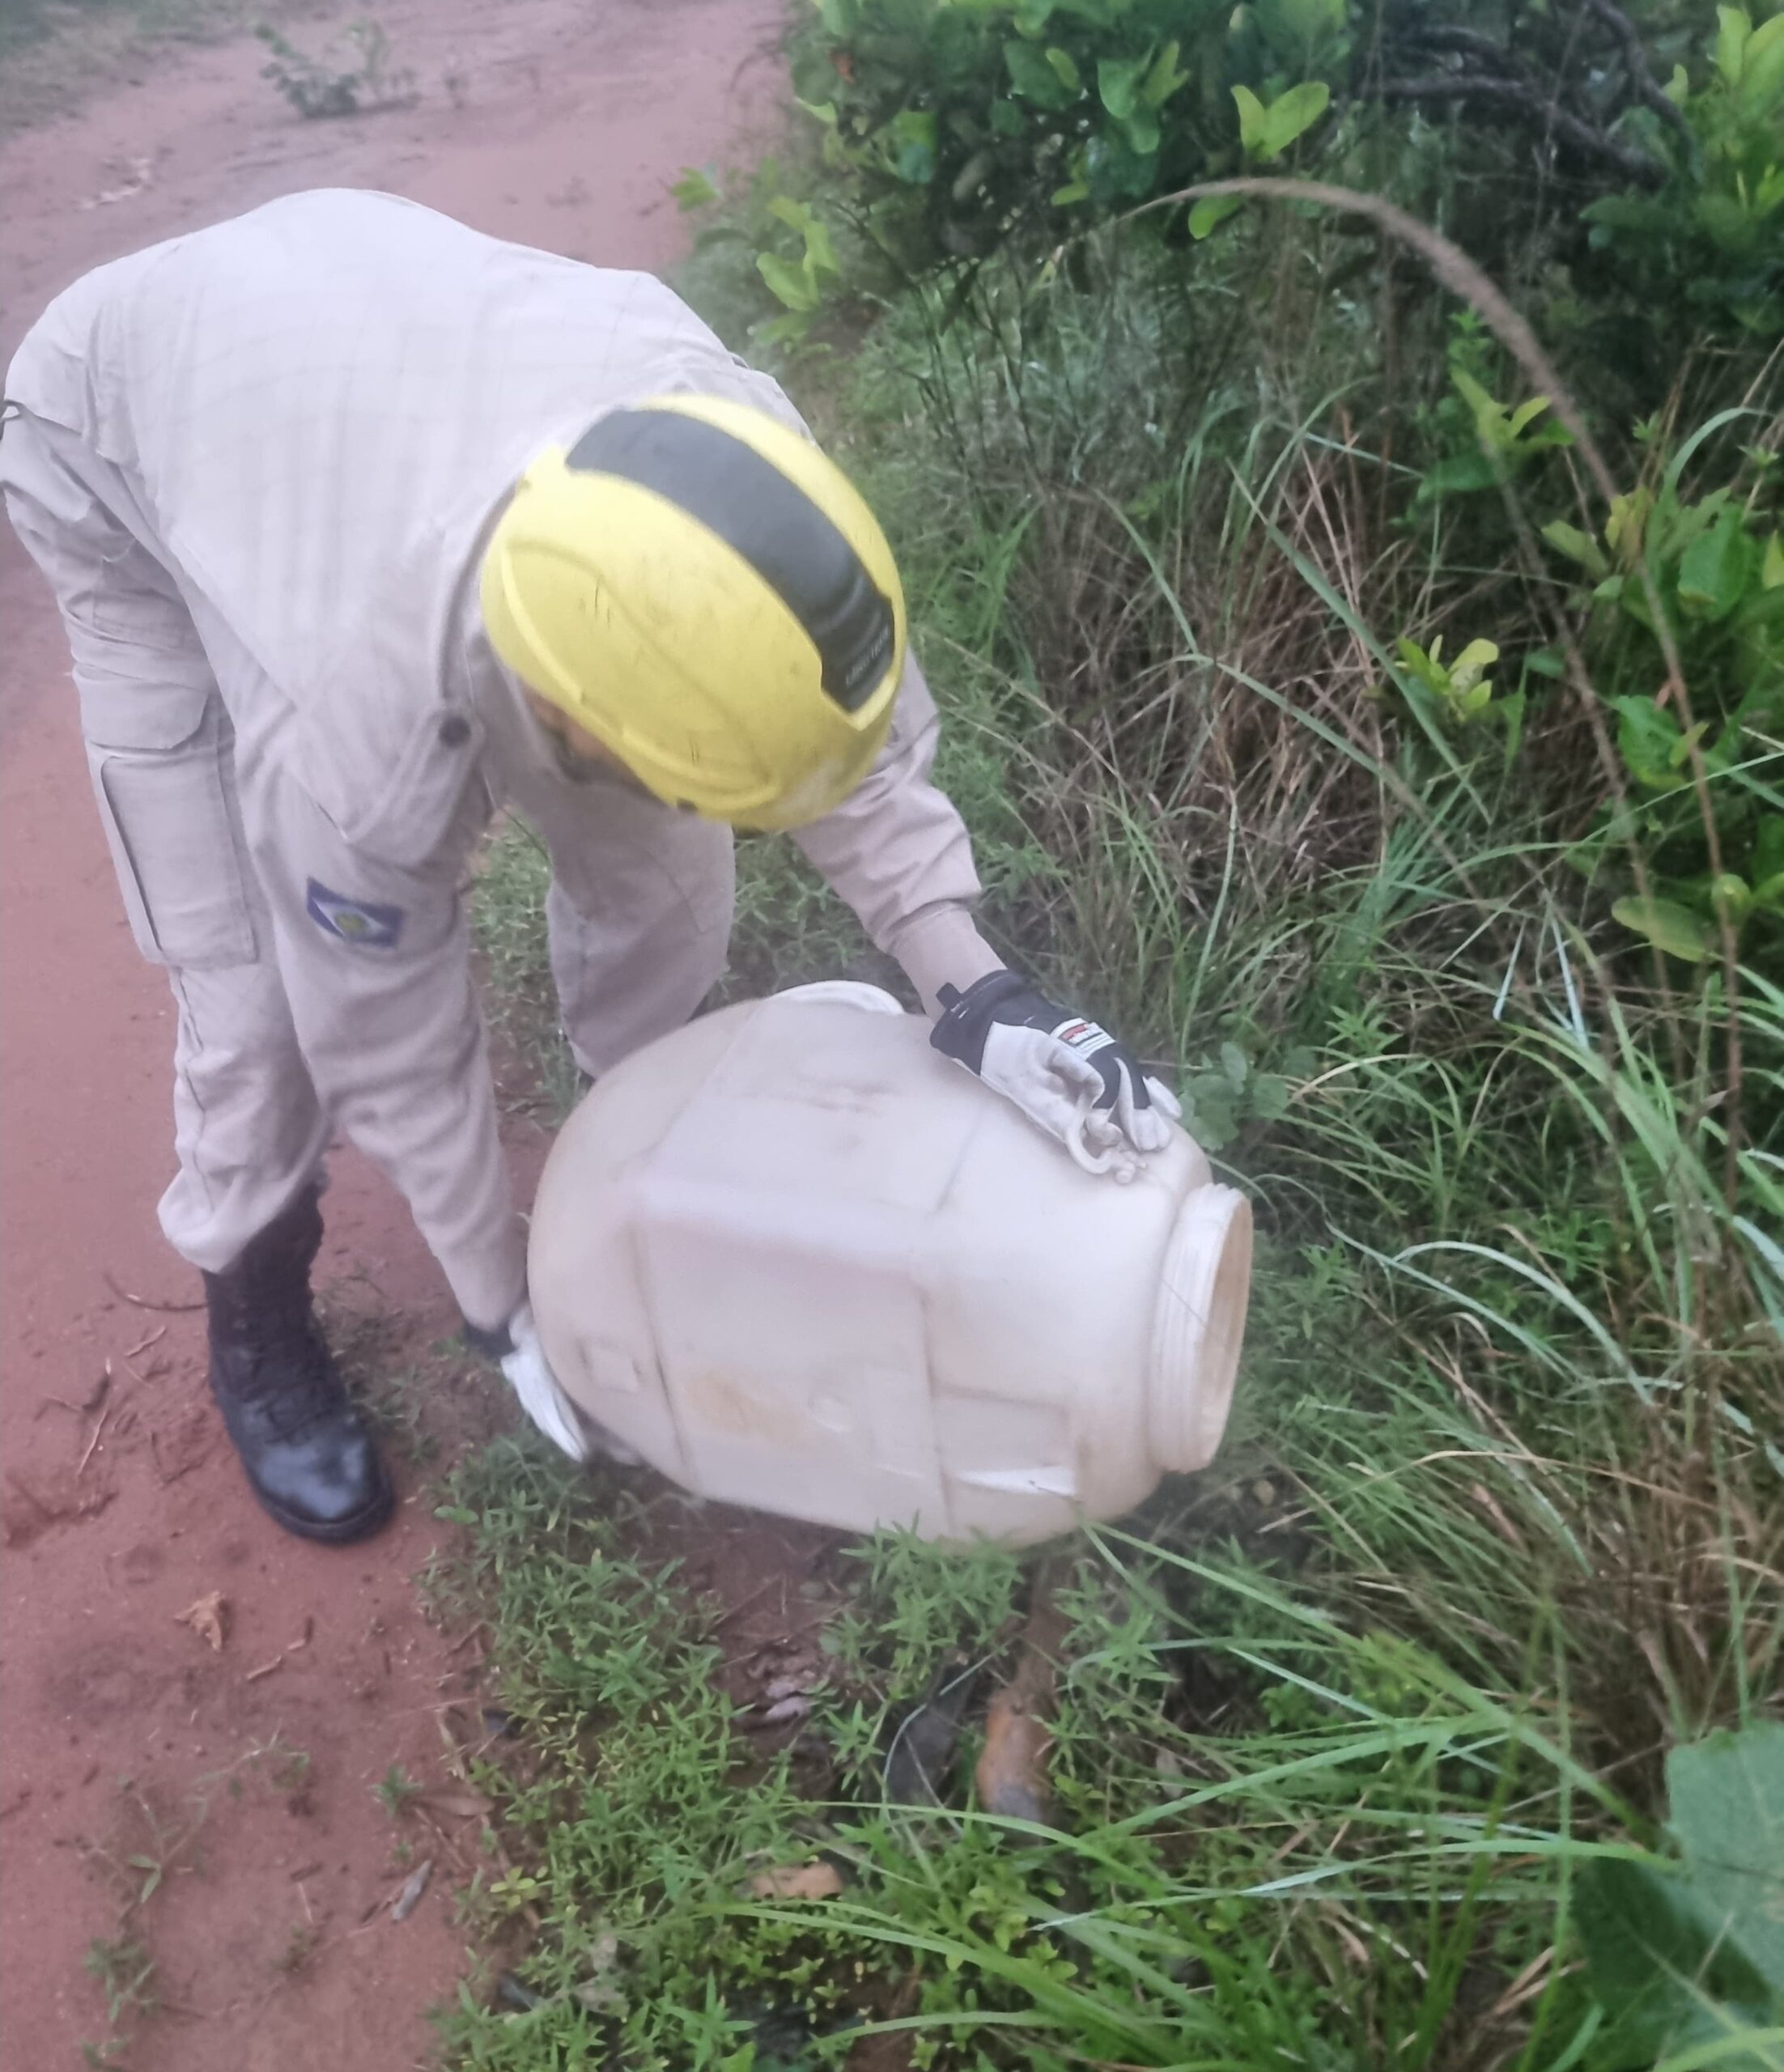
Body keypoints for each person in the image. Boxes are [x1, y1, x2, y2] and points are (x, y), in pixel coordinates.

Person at [1, 189, 1177, 1546]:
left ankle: (650, 1178)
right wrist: (504, 1301)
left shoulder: (747, 488)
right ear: (557, 707)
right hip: (118, 432)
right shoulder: (363, 717)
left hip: (356, 338)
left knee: (667, 874)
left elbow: (846, 745)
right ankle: (251, 1290)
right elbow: (381, 1022)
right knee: (259, 1006)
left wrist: (978, 990)